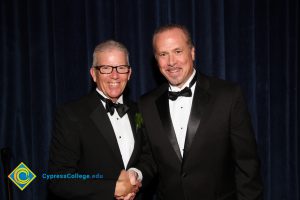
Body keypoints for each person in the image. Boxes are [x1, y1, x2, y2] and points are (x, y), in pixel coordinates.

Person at [130, 24, 263, 199]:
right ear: (156, 60)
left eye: (178, 51)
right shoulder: (145, 104)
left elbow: (247, 164)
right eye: (163, 54)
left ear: (192, 52)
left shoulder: (228, 96)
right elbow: (149, 157)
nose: (171, 62)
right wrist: (136, 174)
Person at [48, 40, 142, 200]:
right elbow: (58, 180)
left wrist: (137, 174)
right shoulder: (71, 114)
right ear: (93, 74)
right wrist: (112, 188)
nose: (115, 75)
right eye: (105, 68)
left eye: (121, 68)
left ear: (129, 73)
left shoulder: (138, 111)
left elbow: (147, 157)